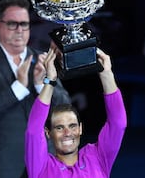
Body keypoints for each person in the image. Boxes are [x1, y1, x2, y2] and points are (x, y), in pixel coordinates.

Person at [0, 0, 71, 178]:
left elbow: (64, 109)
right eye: (12, 24)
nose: (19, 30)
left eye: (24, 24)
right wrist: (19, 88)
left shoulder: (43, 60)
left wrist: (43, 84)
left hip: (42, 165)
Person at [25, 47, 127, 178]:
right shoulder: (41, 166)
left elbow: (118, 124)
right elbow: (33, 130)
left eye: (72, 126)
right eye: (59, 128)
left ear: (80, 129)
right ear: (48, 133)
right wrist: (49, 81)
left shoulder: (97, 157)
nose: (67, 133)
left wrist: (106, 74)